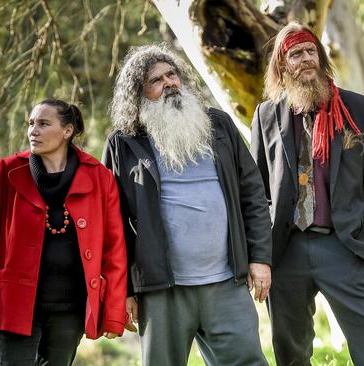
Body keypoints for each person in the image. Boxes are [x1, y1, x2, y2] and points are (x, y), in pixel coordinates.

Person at [102, 44, 272, 366]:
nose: (169, 83)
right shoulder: (123, 143)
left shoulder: (219, 126)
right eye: (155, 80)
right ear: (138, 95)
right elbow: (114, 223)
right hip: (161, 289)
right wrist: (122, 290)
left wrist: (260, 257)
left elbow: (253, 195)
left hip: (226, 283)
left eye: (172, 74)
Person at [250, 22, 364, 366]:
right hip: (285, 250)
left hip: (343, 245)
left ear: (321, 56)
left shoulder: (360, 110)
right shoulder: (266, 115)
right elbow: (257, 189)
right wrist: (261, 252)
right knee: (290, 348)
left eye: (310, 51)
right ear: (282, 65)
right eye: (295, 54)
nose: (305, 59)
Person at [0, 99, 128, 366]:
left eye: (43, 123)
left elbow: (115, 250)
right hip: (13, 306)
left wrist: (113, 311)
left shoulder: (99, 177)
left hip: (68, 311)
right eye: (31, 124)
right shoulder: (7, 171)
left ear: (67, 131)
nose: (33, 131)